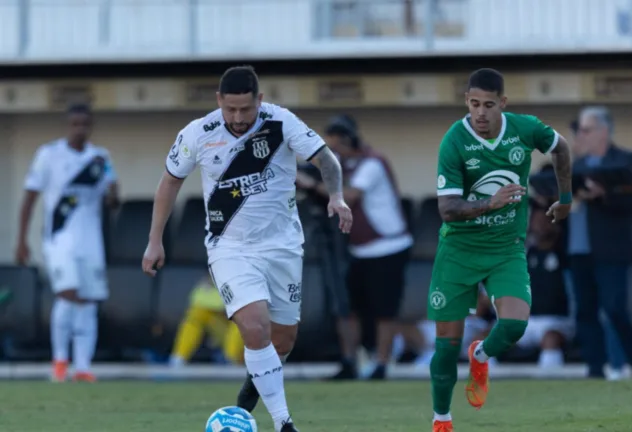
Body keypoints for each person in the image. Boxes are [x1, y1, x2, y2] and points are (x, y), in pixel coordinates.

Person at [141, 65, 352, 432]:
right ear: (219, 101)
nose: (238, 118)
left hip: (284, 246)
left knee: (282, 341)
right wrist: (154, 239)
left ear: (261, 101)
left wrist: (336, 196)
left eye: (246, 110)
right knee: (255, 330)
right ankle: (284, 423)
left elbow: (325, 159)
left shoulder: (281, 122)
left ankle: (245, 403)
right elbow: (170, 182)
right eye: (231, 110)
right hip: (230, 248)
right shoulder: (198, 133)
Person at [428, 68, 572, 432]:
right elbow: (447, 209)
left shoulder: (524, 129)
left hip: (506, 248)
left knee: (514, 325)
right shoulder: (454, 141)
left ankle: (481, 354)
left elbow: (561, 148)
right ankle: (441, 421)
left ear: (502, 104)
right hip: (458, 250)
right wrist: (490, 204)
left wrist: (566, 198)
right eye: (474, 104)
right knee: (445, 346)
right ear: (467, 102)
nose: (480, 113)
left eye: (488, 105)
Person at [299, 114, 413, 380]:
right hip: (358, 248)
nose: (330, 149)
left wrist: (313, 185)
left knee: (385, 310)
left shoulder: (371, 163)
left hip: (387, 246)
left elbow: (350, 195)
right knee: (347, 306)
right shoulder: (340, 165)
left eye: (334, 142)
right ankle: (350, 360)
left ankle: (382, 364)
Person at [16, 103, 119, 383]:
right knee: (68, 293)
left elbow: (113, 197)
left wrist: (113, 195)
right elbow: (30, 197)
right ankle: (60, 360)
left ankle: (83, 366)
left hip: (90, 239)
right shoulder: (49, 154)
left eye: (85, 124)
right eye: (75, 124)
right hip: (59, 237)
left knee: (88, 299)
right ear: (67, 125)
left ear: (91, 126)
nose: (80, 129)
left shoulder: (100, 158)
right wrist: (22, 239)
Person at [568, 105, 632, 379]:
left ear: (603, 131)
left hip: (610, 249)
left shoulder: (626, 160)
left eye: (586, 129)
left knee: (615, 308)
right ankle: (594, 370)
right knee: (584, 311)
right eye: (580, 130)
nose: (581, 135)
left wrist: (605, 195)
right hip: (578, 249)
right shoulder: (576, 166)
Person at [517, 199, 574, 369]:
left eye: (545, 221)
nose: (540, 225)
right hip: (525, 322)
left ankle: (549, 386)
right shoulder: (523, 253)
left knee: (550, 339)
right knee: (487, 338)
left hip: (558, 321)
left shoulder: (566, 257)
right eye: (536, 220)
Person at [168, 275, 244, 367]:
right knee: (196, 314)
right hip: (226, 333)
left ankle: (230, 362)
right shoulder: (218, 270)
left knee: (242, 316)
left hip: (256, 346)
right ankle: (177, 360)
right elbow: (198, 300)